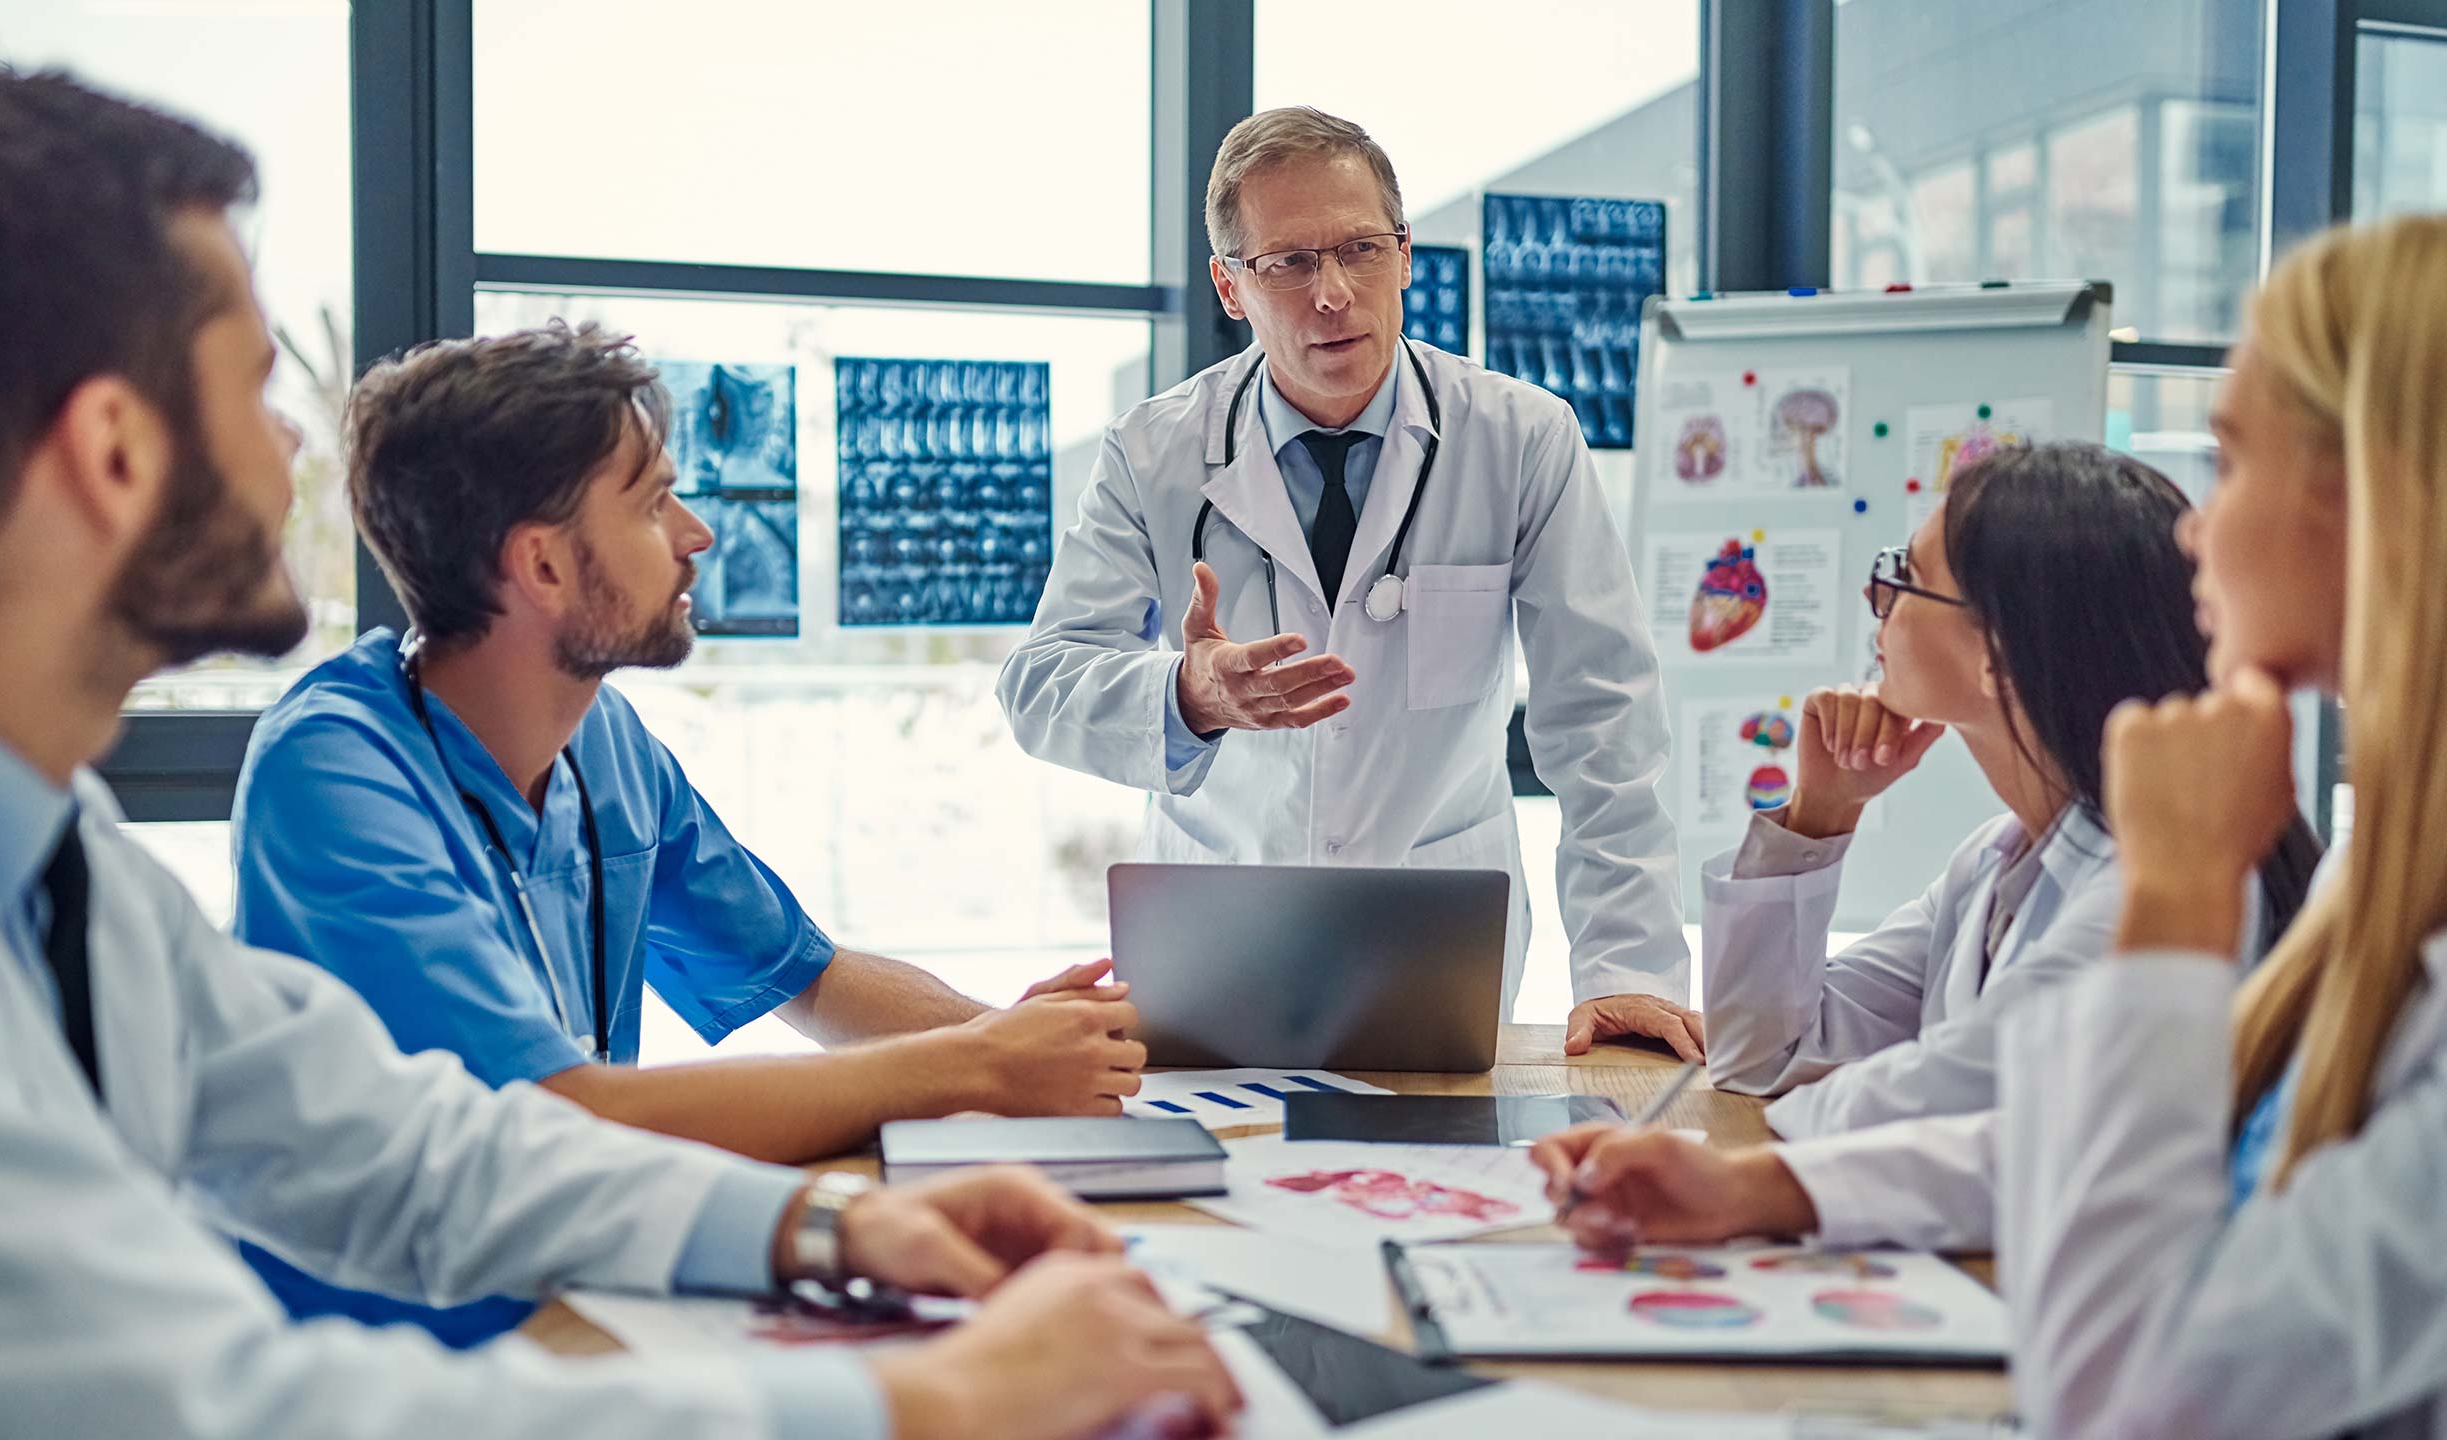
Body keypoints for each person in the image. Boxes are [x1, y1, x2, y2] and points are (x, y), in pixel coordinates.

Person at [0, 67, 1237, 1440]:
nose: (292, 437)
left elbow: (412, 1151)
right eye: (249, 383)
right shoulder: (268, 787)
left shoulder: (60, 867)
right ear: (113, 452)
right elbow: (216, 1410)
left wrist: (826, 1228)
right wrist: (929, 1397)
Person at [227, 321, 1150, 1342]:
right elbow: (560, 1119)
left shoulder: (605, 742)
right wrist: (976, 1064)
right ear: (540, 567)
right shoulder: (334, 772)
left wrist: (1029, 1043)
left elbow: (813, 979)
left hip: (590, 1284)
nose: (698, 533)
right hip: (404, 1348)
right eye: (654, 500)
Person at [997, 106, 1694, 1057]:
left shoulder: (1520, 438)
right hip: (1221, 933)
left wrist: (1626, 971)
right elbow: (1039, 683)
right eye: (1287, 263)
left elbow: (1603, 720)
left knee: (1444, 1183)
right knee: (1228, 1181)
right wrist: (1187, 694)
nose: (1333, 294)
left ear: (1405, 257)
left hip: (1437, 926)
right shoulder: (1153, 451)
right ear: (1230, 287)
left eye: (1361, 250)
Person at [1527, 442, 2319, 1254]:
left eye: (1902, 578)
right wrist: (1817, 814)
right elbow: (1759, 1055)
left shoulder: (2137, 894)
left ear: (1996, 654)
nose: (1876, 600)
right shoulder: (1998, 859)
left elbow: (1900, 1111)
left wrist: (1763, 1161)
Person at [1992, 216, 2447, 1438]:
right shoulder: (2386, 886)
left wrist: (2176, 897)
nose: (2195, 526)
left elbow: (2120, 1406)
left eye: (2231, 463)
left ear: (2373, 496)